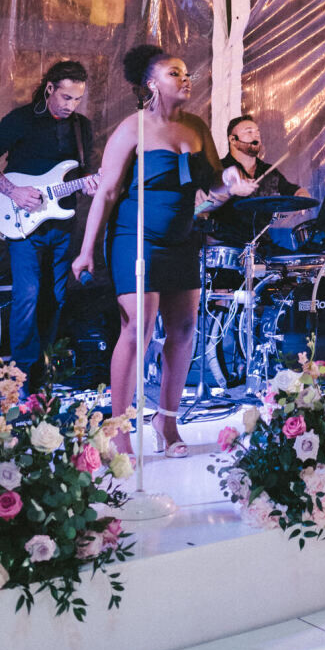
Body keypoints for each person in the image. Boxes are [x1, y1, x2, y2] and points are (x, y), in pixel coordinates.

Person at [71, 45, 255, 458]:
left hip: (181, 241)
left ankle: (166, 421)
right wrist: (86, 252)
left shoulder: (197, 128)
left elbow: (210, 192)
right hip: (134, 240)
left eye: (187, 73)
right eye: (176, 73)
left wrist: (231, 183)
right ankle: (118, 430)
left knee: (186, 328)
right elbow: (107, 192)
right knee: (139, 326)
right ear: (152, 83)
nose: (186, 78)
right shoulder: (131, 129)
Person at [0, 60, 98, 392]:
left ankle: (44, 372)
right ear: (50, 88)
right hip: (22, 223)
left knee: (55, 298)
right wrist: (13, 190)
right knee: (26, 296)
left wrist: (88, 183)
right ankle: (23, 378)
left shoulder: (81, 128)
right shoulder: (22, 119)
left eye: (78, 99)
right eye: (66, 97)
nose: (72, 105)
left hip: (61, 223)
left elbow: (86, 173)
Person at [210, 114, 310, 249]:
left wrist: (302, 196)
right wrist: (229, 190)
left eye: (257, 132)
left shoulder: (268, 171)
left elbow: (294, 190)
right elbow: (201, 206)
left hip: (262, 246)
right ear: (233, 140)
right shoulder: (218, 169)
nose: (256, 136)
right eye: (249, 132)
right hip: (226, 248)